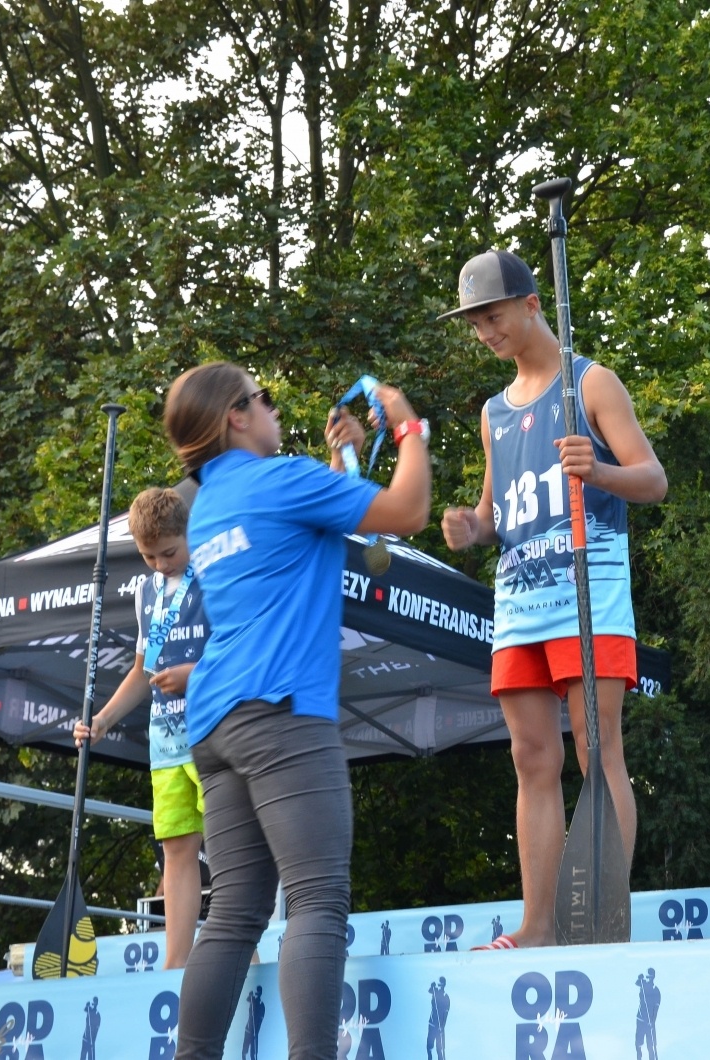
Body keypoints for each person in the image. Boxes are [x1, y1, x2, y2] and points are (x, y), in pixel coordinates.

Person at [165, 362, 429, 1060]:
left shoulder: (208, 505)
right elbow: (406, 514)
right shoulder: (280, 480)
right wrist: (406, 425)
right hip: (280, 709)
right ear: (236, 418)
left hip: (216, 719)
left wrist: (341, 458)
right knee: (317, 900)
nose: (273, 409)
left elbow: (323, 535)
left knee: (234, 916)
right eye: (264, 398)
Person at [439, 249, 667, 949]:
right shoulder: (491, 413)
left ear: (533, 304)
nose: (485, 331)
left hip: (586, 591)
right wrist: (468, 527)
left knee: (598, 754)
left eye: (493, 315)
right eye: (475, 321)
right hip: (519, 604)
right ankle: (538, 926)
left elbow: (652, 479)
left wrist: (596, 468)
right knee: (531, 758)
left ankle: (597, 917)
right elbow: (491, 515)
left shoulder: (589, 383)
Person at [74, 487, 209, 969]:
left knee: (233, 846)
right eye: (148, 555)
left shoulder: (215, 573)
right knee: (176, 849)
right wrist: (104, 719)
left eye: (169, 553)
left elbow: (242, 649)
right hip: (166, 742)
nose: (159, 564)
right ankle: (177, 962)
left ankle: (241, 949)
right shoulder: (146, 590)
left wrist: (194, 674)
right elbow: (142, 670)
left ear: (189, 534)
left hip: (215, 734)